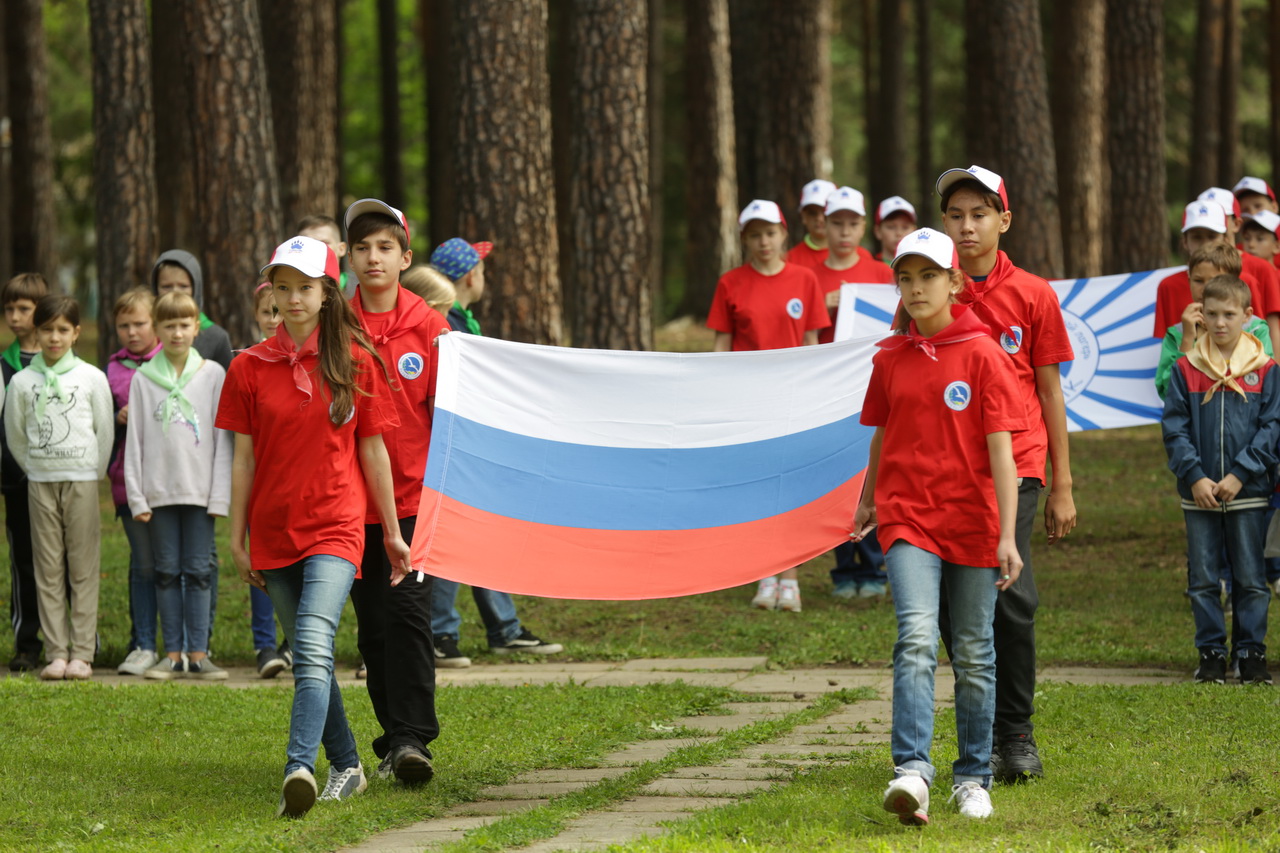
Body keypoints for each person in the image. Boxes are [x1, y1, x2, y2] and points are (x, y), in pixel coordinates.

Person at [218, 235, 406, 817]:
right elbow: (243, 458)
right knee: (308, 651)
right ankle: (347, 766)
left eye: (305, 288)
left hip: (336, 524)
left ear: (328, 293)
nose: (293, 299)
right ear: (269, 292)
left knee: (314, 640)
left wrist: (393, 532)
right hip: (273, 531)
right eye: (283, 288)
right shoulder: (248, 367)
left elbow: (374, 453)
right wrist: (235, 533)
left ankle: (298, 766)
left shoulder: (355, 359)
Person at [852, 227, 1025, 824]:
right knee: (917, 637)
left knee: (975, 651)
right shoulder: (889, 357)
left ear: (955, 282)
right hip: (907, 519)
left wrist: (1007, 533)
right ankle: (912, 773)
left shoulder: (983, 353)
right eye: (907, 277)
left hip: (974, 523)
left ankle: (973, 778)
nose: (917, 287)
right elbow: (882, 435)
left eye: (929, 276)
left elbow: (1003, 450)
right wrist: (869, 501)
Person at [935, 165, 1076, 783]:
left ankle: (1015, 734)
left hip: (1017, 466)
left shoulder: (1035, 294)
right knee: (952, 607)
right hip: (943, 471)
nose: (967, 227)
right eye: (956, 215)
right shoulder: (929, 288)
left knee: (1009, 594)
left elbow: (1049, 391)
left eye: (979, 214)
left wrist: (1062, 483)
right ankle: (982, 732)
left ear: (1004, 220)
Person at [344, 198, 449, 784]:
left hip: (413, 501)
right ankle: (393, 738)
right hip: (347, 502)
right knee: (374, 626)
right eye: (362, 248)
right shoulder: (336, 322)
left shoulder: (431, 328)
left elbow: (449, 417)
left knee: (408, 616)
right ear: (349, 258)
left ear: (406, 257)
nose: (373, 257)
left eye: (385, 247)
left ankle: (411, 740)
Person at [427, 236, 564, 666]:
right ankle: (440, 633)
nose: (483, 276)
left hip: (472, 444)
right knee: (452, 536)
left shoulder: (463, 319)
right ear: (470, 275)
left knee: (482, 535)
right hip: (452, 448)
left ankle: (502, 629)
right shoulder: (446, 325)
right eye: (481, 269)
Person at [707, 200, 829, 612]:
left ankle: (790, 577)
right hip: (749, 400)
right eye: (755, 235)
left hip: (794, 397)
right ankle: (763, 573)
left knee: (790, 486)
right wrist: (718, 392)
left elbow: (812, 341)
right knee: (758, 486)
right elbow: (723, 343)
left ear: (783, 235)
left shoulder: (804, 279)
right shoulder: (731, 283)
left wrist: (815, 393)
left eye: (771, 233)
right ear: (745, 239)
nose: (764, 242)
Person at [1162, 274, 1278, 685]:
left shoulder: (1266, 370)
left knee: (1250, 576)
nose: (1220, 322)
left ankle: (1251, 653)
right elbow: (1174, 428)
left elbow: (1272, 427)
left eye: (1230, 314)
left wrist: (1240, 474)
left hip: (1248, 491)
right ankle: (1211, 652)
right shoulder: (1185, 368)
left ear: (1248, 316)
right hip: (1200, 494)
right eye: (1211, 314)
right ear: (1201, 315)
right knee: (1203, 577)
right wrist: (1195, 476)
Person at [4, 295, 113, 680]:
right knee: (47, 568)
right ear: (37, 331)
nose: (54, 338)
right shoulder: (21, 381)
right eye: (47, 329)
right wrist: (34, 468)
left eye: (63, 330)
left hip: (81, 479)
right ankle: (57, 653)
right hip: (40, 482)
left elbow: (104, 431)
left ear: (76, 333)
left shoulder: (91, 378)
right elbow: (15, 434)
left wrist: (92, 472)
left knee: (82, 568)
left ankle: (82, 652)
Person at [126, 291, 232, 680]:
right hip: (158, 494)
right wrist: (137, 496)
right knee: (167, 572)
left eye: (184, 325)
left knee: (200, 571)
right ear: (157, 329)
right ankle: (172, 655)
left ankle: (199, 654)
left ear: (195, 328)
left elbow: (223, 440)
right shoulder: (143, 379)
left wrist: (220, 496)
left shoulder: (213, 375)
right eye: (168, 325)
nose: (177, 333)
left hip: (201, 494)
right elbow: (134, 442)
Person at [107, 288, 164, 676]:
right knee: (143, 565)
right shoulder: (110, 370)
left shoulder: (174, 362)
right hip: (127, 481)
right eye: (124, 325)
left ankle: (186, 644)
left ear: (155, 324)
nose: (132, 331)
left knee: (180, 566)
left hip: (173, 481)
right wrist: (117, 416)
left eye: (140, 323)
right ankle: (142, 641)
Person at [1, 273, 49, 672]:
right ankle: (27, 641)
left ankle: (71, 637)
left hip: (62, 478)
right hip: (17, 483)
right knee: (25, 561)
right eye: (9, 309)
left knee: (66, 561)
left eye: (24, 309)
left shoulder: (64, 365)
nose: (14, 317)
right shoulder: (3, 367)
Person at [1156, 243, 1272, 400]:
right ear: (1188, 280)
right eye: (1198, 280)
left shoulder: (1255, 329)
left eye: (1215, 280)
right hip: (1198, 421)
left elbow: (1268, 386)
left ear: (1234, 281)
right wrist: (1188, 339)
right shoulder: (1178, 334)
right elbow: (1168, 392)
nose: (1205, 288)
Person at [1153, 201, 1276, 346]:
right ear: (1185, 241)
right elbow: (1168, 349)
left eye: (1212, 236)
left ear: (1225, 239)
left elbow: (1256, 333)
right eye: (1196, 237)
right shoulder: (1168, 286)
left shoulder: (1245, 281)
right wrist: (1187, 338)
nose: (1204, 243)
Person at [247, 281, 289, 678]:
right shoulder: (247, 365)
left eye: (281, 311)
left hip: (301, 486)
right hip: (260, 485)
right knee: (261, 569)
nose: (275, 320)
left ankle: (294, 643)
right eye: (267, 313)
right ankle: (264, 647)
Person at [812, 186, 895, 346]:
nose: (845, 232)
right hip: (824, 367)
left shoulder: (884, 273)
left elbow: (898, 326)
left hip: (871, 366)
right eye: (837, 224)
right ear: (825, 225)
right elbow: (796, 339)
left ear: (863, 227)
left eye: (853, 224)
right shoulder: (809, 278)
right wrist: (821, 312)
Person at [1197, 187, 1280, 343]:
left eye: (1220, 213)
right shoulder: (1192, 273)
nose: (1211, 218)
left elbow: (1267, 327)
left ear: (1236, 223)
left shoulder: (1261, 268)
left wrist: (1274, 366)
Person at [785, 179, 837, 269]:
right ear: (803, 217)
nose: (819, 218)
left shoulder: (858, 256)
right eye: (812, 213)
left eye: (825, 211)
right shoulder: (790, 259)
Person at [297, 214, 352, 296]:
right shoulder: (283, 291)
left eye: (323, 243)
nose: (315, 249)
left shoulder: (361, 289)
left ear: (341, 249)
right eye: (307, 244)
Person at [873, 196, 918, 261]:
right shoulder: (867, 268)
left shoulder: (927, 265)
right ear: (878, 231)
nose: (899, 233)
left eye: (905, 227)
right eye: (891, 227)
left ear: (914, 231)